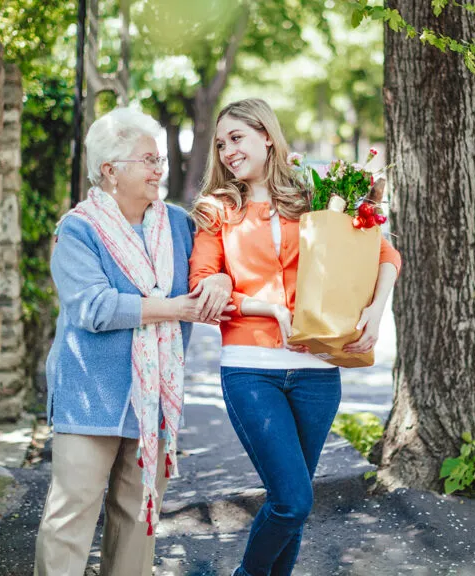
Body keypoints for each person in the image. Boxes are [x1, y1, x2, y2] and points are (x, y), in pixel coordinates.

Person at [188, 98, 401, 576]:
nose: (227, 151)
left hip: (318, 370)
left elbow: (383, 252)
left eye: (236, 138)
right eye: (221, 144)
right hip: (250, 368)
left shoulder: (316, 194)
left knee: (296, 505)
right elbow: (202, 287)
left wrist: (376, 308)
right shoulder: (217, 209)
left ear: (267, 135)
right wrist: (267, 309)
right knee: (293, 501)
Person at [34, 107, 233, 576]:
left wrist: (220, 280)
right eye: (148, 159)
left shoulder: (180, 225)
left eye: (159, 159)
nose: (159, 170)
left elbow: (218, 262)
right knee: (70, 519)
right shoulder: (78, 229)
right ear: (110, 170)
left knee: (139, 519)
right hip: (91, 395)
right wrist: (177, 308)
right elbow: (94, 308)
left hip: (154, 401)